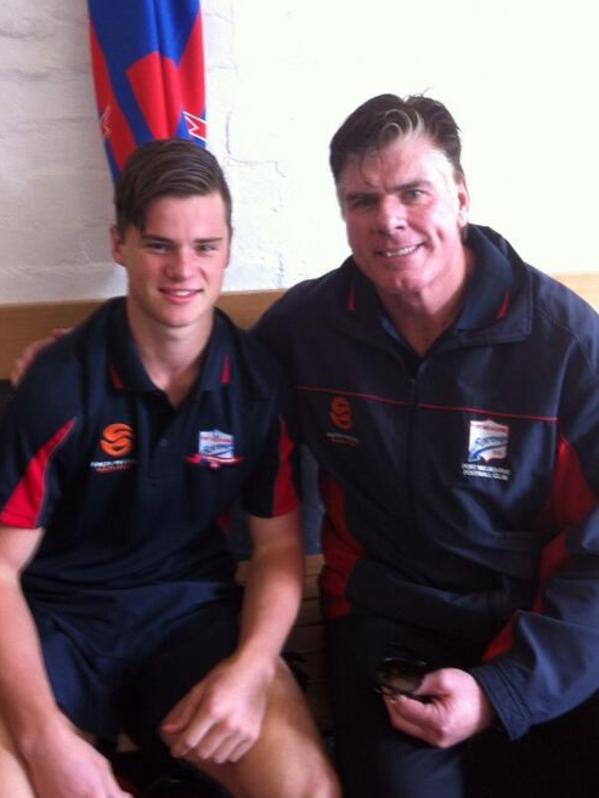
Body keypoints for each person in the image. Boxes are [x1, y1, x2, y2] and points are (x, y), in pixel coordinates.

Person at [252, 94, 599, 796]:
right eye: (362, 200)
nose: (389, 220)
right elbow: (205, 374)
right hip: (389, 622)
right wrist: (87, 351)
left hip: (539, 622)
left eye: (413, 192)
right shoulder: (310, 328)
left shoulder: (565, 346)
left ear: (460, 197)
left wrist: (501, 689)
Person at [0, 139, 339, 798]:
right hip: (57, 626)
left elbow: (274, 547)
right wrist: (43, 738)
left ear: (229, 248)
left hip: (189, 619)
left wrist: (251, 667)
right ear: (119, 244)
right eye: (159, 244)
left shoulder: (257, 384)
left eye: (205, 246)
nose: (184, 269)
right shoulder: (59, 385)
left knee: (307, 788)